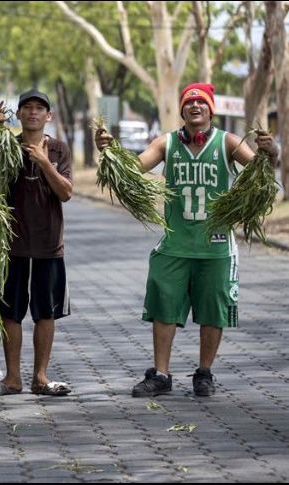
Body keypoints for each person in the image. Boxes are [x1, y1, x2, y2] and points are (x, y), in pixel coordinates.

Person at [95, 83, 280, 397]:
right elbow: (134, 168)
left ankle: (204, 373)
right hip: (174, 243)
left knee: (212, 312)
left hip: (216, 244)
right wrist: (109, 152)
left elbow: (261, 170)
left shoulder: (227, 142)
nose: (196, 107)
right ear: (182, 110)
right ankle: (161, 375)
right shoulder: (167, 143)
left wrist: (270, 151)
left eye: (202, 103)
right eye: (189, 103)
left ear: (211, 109)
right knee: (164, 306)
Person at [0, 89, 74, 398]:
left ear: (48, 116)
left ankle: (41, 377)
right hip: (9, 245)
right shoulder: (5, 145)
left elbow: (66, 193)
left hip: (48, 245)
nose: (33, 113)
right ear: (20, 114)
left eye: (40, 108)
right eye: (27, 108)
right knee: (10, 313)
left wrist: (43, 162)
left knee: (46, 313)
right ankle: (13, 378)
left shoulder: (59, 150)